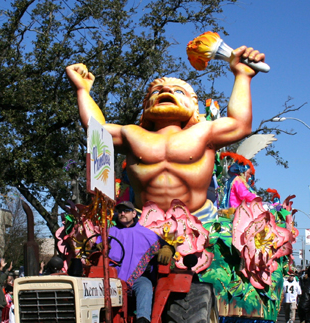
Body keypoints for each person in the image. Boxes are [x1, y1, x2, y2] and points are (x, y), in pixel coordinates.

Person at [67, 45, 265, 220]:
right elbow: (96, 129)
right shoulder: (131, 134)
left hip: (199, 223)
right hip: (141, 225)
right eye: (156, 91)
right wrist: (82, 90)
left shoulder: (204, 132)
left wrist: (242, 76)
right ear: (146, 106)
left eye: (179, 92)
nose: (166, 91)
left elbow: (240, 124)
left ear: (193, 106)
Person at [106, 201, 173, 323]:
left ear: (134, 213)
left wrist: (167, 249)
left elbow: (165, 246)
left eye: (126, 211)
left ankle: (142, 322)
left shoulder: (146, 233)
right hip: (109, 277)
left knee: (145, 286)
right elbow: (96, 247)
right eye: (120, 211)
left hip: (136, 278)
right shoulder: (109, 232)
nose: (122, 213)